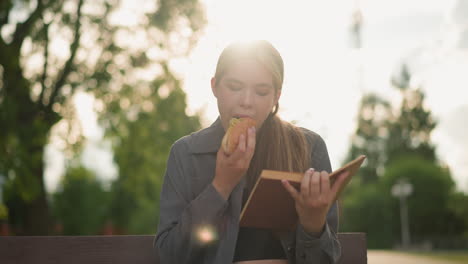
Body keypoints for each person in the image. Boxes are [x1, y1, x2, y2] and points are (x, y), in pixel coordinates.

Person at [154, 40, 344, 264]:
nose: (246, 102)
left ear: (277, 96)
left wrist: (313, 225)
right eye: (234, 87)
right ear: (214, 87)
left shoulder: (308, 147)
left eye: (262, 92)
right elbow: (169, 256)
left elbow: (326, 260)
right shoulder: (186, 154)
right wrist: (221, 186)